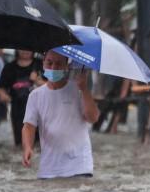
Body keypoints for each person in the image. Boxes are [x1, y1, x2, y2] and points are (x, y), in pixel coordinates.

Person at [22, 51, 99, 179]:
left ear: (66, 66)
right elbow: (29, 126)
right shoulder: (35, 96)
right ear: (43, 64)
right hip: (48, 169)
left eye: (58, 64)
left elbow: (93, 118)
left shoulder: (78, 89)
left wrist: (85, 90)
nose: (53, 67)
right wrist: (27, 147)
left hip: (79, 167)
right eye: (50, 63)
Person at [0, 50, 43, 146]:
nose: (25, 51)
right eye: (22, 48)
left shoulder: (40, 64)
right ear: (17, 50)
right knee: (21, 143)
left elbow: (53, 85)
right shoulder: (9, 67)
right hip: (17, 110)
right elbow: (0, 87)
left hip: (40, 110)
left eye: (28, 48)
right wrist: (4, 96)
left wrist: (38, 81)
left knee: (40, 143)